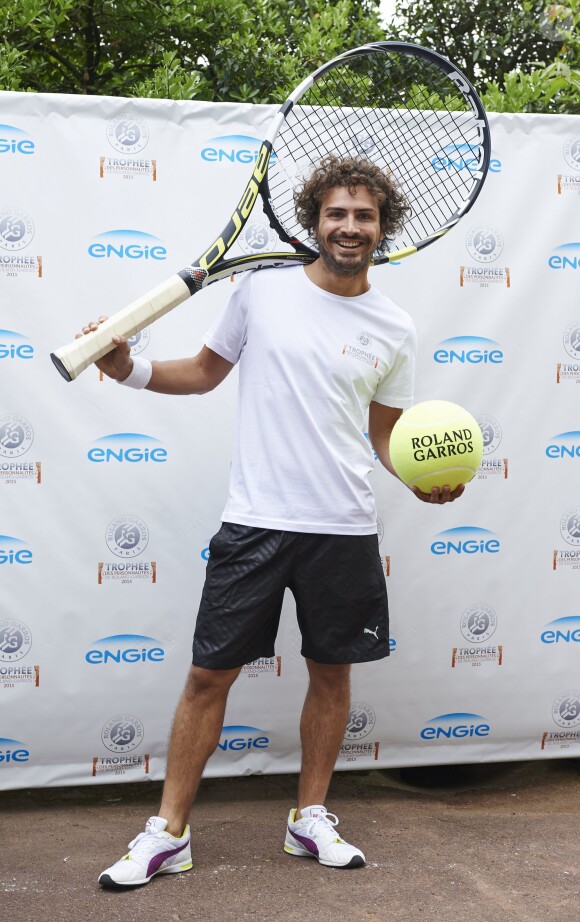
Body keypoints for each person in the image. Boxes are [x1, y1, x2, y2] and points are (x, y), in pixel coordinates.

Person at [80, 155, 464, 888]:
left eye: (365, 215)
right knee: (206, 676)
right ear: (314, 221)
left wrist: (420, 480)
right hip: (256, 521)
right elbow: (202, 371)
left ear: (385, 230)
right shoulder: (263, 291)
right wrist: (127, 368)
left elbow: (384, 433)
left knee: (332, 674)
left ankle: (308, 818)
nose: (350, 226)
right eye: (337, 213)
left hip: (345, 527)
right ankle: (169, 831)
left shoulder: (393, 324)